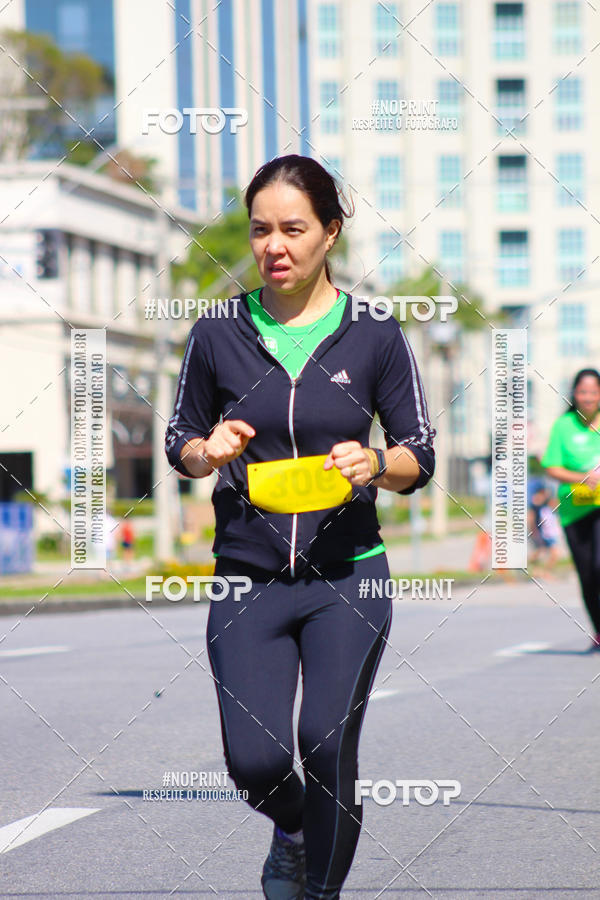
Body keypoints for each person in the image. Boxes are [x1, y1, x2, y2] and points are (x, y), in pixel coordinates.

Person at [165, 155, 435, 899]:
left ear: (330, 234)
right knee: (254, 762)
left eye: (293, 229)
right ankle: (293, 828)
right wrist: (203, 451)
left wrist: (376, 463)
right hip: (249, 576)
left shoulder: (375, 333)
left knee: (324, 741)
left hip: (347, 575)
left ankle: (317, 886)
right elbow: (179, 438)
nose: (273, 246)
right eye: (260, 231)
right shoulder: (217, 332)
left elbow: (420, 454)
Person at [541, 368, 600, 650]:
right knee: (587, 573)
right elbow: (551, 466)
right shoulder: (563, 426)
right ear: (575, 395)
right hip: (573, 511)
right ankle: (598, 630)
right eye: (583, 392)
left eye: (593, 392)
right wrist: (582, 478)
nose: (588, 397)